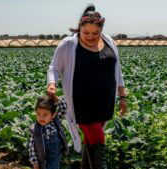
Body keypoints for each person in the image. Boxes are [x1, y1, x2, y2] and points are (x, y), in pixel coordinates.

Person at [47, 4, 127, 169]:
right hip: (80, 105)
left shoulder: (109, 42)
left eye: (95, 33)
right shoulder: (68, 45)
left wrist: (122, 96)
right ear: (79, 29)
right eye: (86, 33)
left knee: (91, 140)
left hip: (104, 103)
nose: (90, 37)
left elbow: (117, 70)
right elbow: (53, 68)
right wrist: (52, 84)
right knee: (98, 139)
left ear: (101, 30)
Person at [28, 96, 69, 169]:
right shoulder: (34, 129)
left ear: (53, 115)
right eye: (38, 114)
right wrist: (35, 162)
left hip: (56, 157)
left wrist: (55, 98)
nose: (41, 118)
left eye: (45, 115)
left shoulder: (56, 120)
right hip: (43, 159)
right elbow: (31, 146)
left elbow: (63, 107)